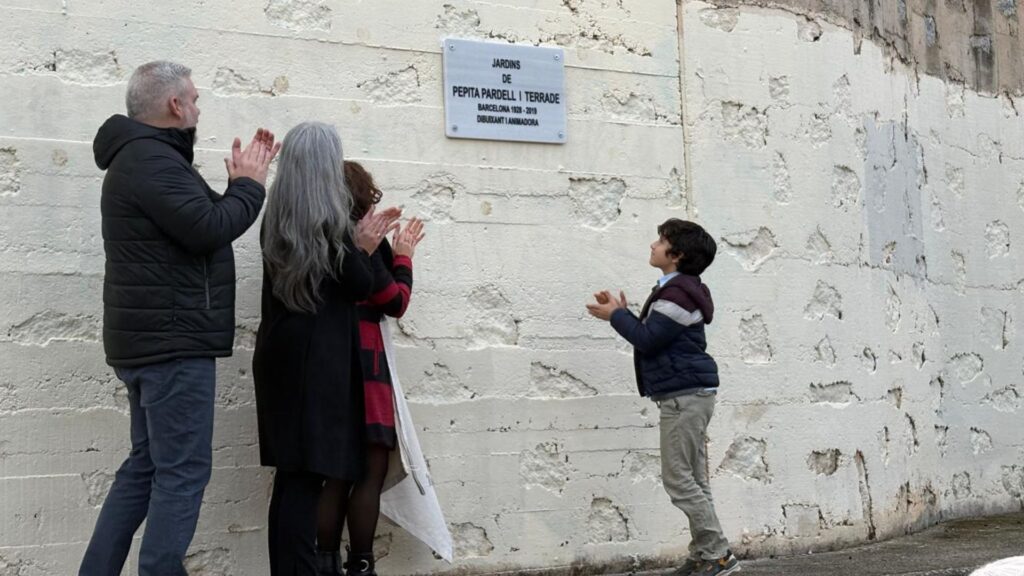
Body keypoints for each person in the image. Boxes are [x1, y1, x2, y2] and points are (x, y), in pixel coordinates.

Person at [81, 60, 279, 576]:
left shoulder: (149, 159)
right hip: (171, 346)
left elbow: (202, 218)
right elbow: (209, 228)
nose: (197, 106)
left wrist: (237, 181)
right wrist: (252, 186)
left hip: (154, 343)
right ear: (175, 105)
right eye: (193, 98)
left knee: (145, 467)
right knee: (182, 471)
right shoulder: (151, 160)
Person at [253, 123, 400, 575]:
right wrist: (365, 246)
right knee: (309, 479)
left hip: (278, 355)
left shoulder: (276, 212)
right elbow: (358, 285)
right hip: (317, 362)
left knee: (290, 478)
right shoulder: (331, 221)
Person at [585, 218, 740, 576]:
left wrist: (617, 316)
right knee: (694, 481)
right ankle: (706, 554)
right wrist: (621, 314)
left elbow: (648, 339)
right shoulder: (679, 290)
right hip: (688, 394)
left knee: (678, 480)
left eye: (661, 240)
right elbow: (652, 333)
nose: (654, 245)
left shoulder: (677, 293)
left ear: (678, 254)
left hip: (684, 397)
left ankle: (718, 555)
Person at [315, 161, 425, 576]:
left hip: (329, 362)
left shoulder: (315, 231)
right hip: (365, 364)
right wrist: (404, 256)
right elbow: (394, 301)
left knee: (334, 476)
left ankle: (322, 565)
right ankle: (361, 567)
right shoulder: (364, 238)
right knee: (368, 472)